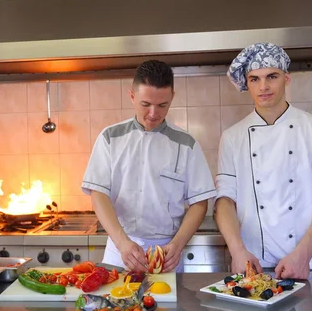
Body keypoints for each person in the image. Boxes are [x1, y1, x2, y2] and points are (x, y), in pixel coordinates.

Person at [214, 43, 312, 279]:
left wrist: (303, 255)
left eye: (271, 77)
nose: (263, 86)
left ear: (286, 78)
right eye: (254, 79)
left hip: (305, 261)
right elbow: (225, 200)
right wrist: (237, 251)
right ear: (247, 83)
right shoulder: (232, 137)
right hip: (251, 263)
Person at [82, 60, 216, 272]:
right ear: (132, 96)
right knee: (116, 304)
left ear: (172, 96)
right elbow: (98, 194)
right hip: (120, 249)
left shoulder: (186, 144)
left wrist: (178, 244)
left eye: (162, 105)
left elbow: (200, 202)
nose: (154, 113)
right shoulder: (110, 137)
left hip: (168, 252)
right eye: (146, 104)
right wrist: (122, 243)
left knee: (169, 305)